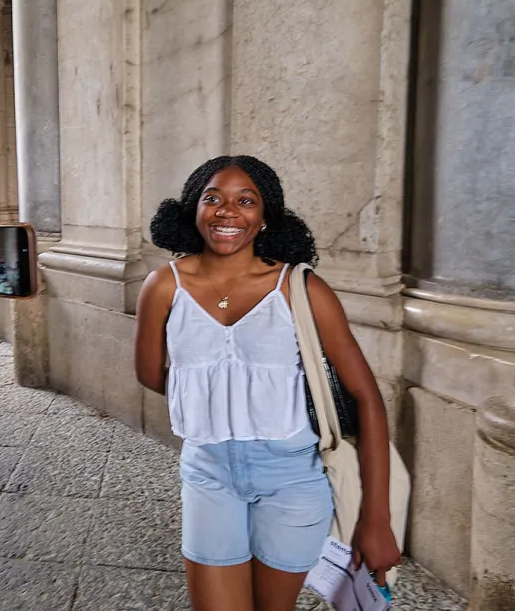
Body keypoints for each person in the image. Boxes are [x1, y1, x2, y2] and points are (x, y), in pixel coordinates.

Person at [134, 156, 401, 611]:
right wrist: (219, 395)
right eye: (212, 198)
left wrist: (377, 520)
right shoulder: (163, 285)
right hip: (208, 472)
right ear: (193, 209)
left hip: (293, 478)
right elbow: (150, 373)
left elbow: (366, 398)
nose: (227, 211)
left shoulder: (299, 288)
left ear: (264, 217)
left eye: (246, 200)